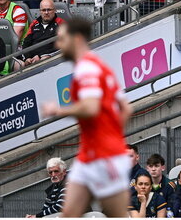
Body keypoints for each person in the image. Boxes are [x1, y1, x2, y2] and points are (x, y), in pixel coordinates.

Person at [41, 18, 133, 217]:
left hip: (104, 156)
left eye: (62, 39)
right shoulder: (100, 66)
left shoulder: (86, 68)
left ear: (78, 39)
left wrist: (58, 111)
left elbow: (91, 108)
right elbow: (125, 109)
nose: (57, 44)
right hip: (90, 154)